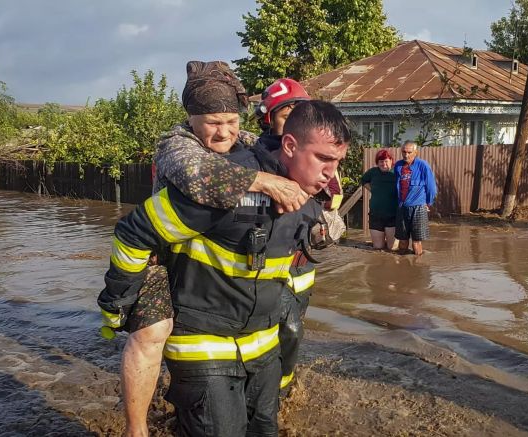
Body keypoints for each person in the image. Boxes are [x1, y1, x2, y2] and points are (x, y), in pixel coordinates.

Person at [98, 100, 351, 436]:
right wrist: (118, 302)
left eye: (337, 162)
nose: (331, 174)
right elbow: (134, 232)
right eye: (324, 159)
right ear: (290, 145)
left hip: (262, 347)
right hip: (204, 347)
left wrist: (322, 232)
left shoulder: (308, 194)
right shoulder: (226, 185)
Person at [254, 78, 343, 394]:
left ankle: (282, 384)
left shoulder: (319, 156)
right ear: (269, 118)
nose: (292, 117)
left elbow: (334, 196)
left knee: (292, 328)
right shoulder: (256, 157)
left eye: (298, 111)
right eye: (284, 112)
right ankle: (266, 388)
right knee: (276, 328)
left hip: (301, 261)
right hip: (266, 261)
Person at [394, 141, 437, 256]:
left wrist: (428, 203)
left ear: (415, 152)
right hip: (402, 207)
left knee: (416, 242)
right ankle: (401, 266)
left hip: (418, 207)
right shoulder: (398, 166)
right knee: (402, 241)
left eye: (409, 152)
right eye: (404, 152)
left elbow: (431, 187)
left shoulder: (423, 165)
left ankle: (417, 267)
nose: (406, 155)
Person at [362, 149, 398, 250]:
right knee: (378, 247)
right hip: (376, 215)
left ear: (391, 160)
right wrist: (373, 190)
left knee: (393, 248)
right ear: (377, 162)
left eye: (386, 160)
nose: (383, 163)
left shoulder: (396, 172)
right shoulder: (372, 172)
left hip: (393, 215)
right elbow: (363, 180)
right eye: (381, 161)